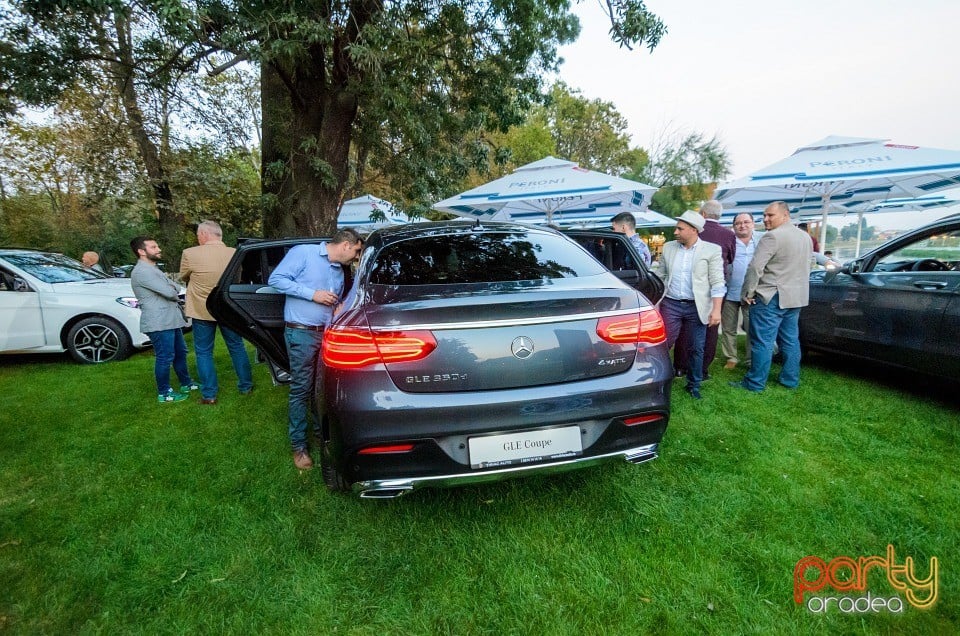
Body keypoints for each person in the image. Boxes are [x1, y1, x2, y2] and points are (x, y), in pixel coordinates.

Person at [268, 228, 364, 470]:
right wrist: (313, 295)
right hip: (301, 332)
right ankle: (299, 446)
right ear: (345, 244)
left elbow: (334, 301)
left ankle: (323, 436)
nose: (355, 257)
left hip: (327, 335)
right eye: (356, 251)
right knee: (302, 387)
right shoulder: (304, 253)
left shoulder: (339, 271)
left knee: (321, 388)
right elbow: (276, 280)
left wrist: (339, 307)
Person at [730, 201, 813, 392]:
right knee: (791, 340)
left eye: (770, 215)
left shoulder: (772, 237)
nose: (765, 219)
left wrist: (748, 293)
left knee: (762, 341)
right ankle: (790, 379)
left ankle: (755, 383)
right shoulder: (805, 237)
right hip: (795, 296)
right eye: (764, 215)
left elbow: (755, 267)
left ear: (785, 215)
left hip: (771, 295)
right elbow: (810, 264)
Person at [179, 220, 253, 405]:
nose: (197, 238)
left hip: (202, 309)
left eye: (198, 235)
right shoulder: (235, 253)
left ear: (204, 234)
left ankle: (209, 394)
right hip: (228, 308)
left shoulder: (190, 253)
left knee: (203, 352)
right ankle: (246, 386)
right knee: (237, 347)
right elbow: (237, 277)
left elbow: (183, 276)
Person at [655, 211, 726, 400]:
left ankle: (694, 385)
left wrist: (716, 310)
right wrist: (654, 302)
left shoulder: (712, 250)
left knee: (696, 347)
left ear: (694, 230)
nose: (675, 231)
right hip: (671, 304)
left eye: (680, 228)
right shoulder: (669, 247)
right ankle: (659, 382)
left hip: (697, 307)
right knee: (663, 344)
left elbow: (718, 282)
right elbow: (660, 277)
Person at [129, 236, 199, 404]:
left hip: (170, 319)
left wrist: (171, 288)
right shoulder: (142, 272)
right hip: (158, 322)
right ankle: (164, 393)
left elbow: (176, 287)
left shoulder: (153, 269)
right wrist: (171, 289)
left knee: (180, 353)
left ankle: (186, 383)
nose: (158, 249)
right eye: (153, 247)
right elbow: (170, 292)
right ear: (141, 251)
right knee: (165, 357)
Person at [721, 213, 758, 370]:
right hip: (730, 291)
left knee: (752, 328)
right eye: (738, 223)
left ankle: (751, 359)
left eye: (746, 222)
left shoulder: (762, 240)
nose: (742, 225)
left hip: (752, 294)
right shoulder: (728, 241)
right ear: (733, 226)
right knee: (728, 328)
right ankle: (731, 358)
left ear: (753, 224)